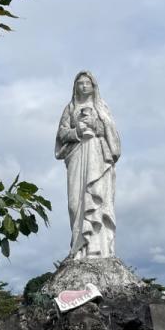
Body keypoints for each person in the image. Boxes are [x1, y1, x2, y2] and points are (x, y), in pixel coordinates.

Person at [54, 71, 121, 259]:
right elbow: (61, 134)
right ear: (75, 86)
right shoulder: (70, 108)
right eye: (80, 83)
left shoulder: (101, 107)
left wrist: (96, 126)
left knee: (97, 200)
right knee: (75, 204)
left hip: (97, 158)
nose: (83, 86)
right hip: (76, 155)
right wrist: (77, 132)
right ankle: (78, 247)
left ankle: (98, 250)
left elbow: (112, 133)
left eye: (87, 83)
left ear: (93, 86)